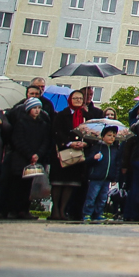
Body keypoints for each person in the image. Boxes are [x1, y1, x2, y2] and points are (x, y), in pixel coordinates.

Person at [3, 98, 52, 218]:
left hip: (35, 159)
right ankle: (13, 210)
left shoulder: (43, 124)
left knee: (28, 187)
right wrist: (29, 154)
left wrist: (38, 154)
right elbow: (18, 140)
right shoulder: (21, 122)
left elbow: (45, 141)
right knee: (17, 186)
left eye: (39, 108)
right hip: (21, 159)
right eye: (34, 108)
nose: (37, 111)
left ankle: (24, 210)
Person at [49, 90, 91, 220]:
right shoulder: (62, 115)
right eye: (75, 98)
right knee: (58, 183)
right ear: (70, 100)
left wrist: (85, 143)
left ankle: (63, 210)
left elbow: (90, 133)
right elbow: (56, 132)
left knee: (70, 184)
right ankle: (55, 210)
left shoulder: (85, 116)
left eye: (80, 98)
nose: (78, 101)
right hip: (63, 153)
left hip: (78, 155)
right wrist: (69, 143)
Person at [82, 126, 121, 222]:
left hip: (107, 178)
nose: (111, 138)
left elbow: (117, 164)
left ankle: (98, 213)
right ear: (103, 136)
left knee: (103, 198)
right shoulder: (97, 147)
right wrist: (94, 158)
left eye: (113, 136)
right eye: (109, 135)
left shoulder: (114, 150)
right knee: (92, 196)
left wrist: (115, 178)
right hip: (96, 177)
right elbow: (88, 161)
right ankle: (87, 213)